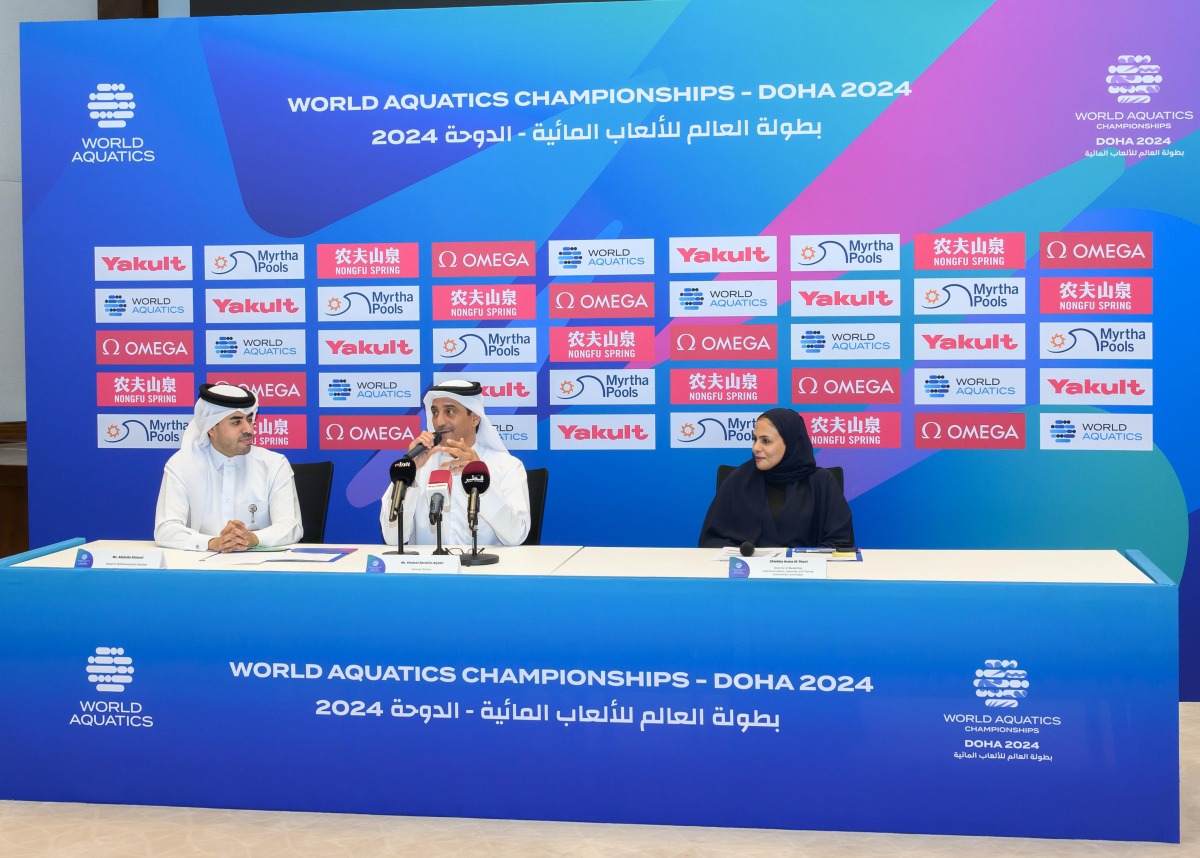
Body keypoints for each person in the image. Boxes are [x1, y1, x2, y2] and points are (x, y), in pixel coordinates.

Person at [380, 379, 530, 546]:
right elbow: (392, 538)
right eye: (435, 412)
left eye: (450, 411)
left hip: (485, 569)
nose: (439, 422)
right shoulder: (420, 469)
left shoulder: (506, 466)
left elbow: (517, 536)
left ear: (474, 418)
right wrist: (410, 474)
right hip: (429, 570)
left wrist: (480, 479)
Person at [154, 383, 303, 551]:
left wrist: (252, 538)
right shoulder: (181, 465)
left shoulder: (274, 464)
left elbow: (291, 526)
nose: (248, 429)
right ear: (211, 428)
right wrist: (213, 542)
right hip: (200, 570)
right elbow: (166, 529)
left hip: (262, 571)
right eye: (236, 422)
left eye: (249, 419)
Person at [698, 407, 855, 549]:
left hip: (806, 577)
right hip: (748, 576)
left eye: (765, 441)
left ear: (791, 443)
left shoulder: (822, 482)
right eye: (755, 439)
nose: (755, 448)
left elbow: (840, 543)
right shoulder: (738, 480)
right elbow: (712, 542)